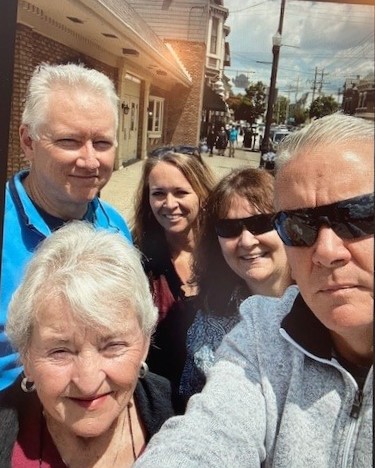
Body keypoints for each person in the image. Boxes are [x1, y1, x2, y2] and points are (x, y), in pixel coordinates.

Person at [133, 113, 373, 467]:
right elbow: (207, 433)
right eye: (300, 225)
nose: (326, 251)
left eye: (358, 216)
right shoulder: (260, 332)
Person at [0, 221, 181, 467]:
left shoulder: (185, 415)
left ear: (145, 344)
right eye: (60, 350)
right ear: (26, 355)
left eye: (112, 346)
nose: (87, 383)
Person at [0, 63, 132, 391]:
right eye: (70, 141)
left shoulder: (115, 228)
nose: (89, 161)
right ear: (28, 141)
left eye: (102, 143)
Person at [180, 168, 292, 400]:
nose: (247, 241)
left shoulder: (325, 309)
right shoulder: (208, 324)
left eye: (260, 223)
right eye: (230, 228)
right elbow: (188, 403)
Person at [132, 146, 215, 390]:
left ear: (202, 193)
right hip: (159, 402)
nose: (169, 204)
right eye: (159, 193)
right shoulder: (138, 260)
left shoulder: (227, 251)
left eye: (181, 192)